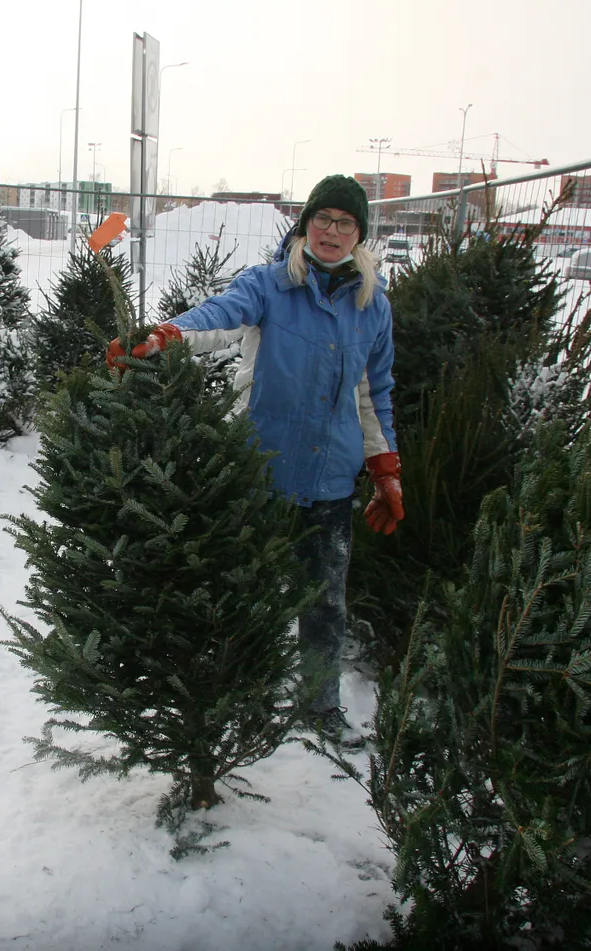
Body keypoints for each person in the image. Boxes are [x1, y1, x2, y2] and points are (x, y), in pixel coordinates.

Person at [106, 174, 403, 732]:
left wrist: (385, 467)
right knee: (251, 594)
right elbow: (218, 318)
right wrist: (165, 336)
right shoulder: (270, 285)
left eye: (346, 223)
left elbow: (374, 392)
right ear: (305, 223)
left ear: (360, 234)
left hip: (332, 480)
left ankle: (319, 706)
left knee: (324, 605)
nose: (332, 231)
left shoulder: (373, 306)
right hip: (260, 470)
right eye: (323, 219)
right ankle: (247, 698)